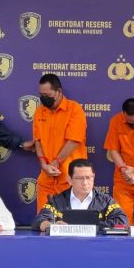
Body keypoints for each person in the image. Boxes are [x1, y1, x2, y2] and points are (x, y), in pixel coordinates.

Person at [33, 73, 88, 211]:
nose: (44, 98)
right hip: (46, 177)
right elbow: (37, 141)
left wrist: (56, 162)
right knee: (43, 219)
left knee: (70, 221)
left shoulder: (74, 109)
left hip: (70, 178)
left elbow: (74, 140)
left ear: (59, 91)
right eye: (41, 95)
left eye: (48, 95)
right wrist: (43, 164)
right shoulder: (39, 112)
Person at [32, 159, 128, 232]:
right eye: (80, 178)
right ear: (69, 179)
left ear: (94, 177)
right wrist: (51, 226)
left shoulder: (105, 201)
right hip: (66, 246)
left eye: (89, 177)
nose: (85, 183)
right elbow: (39, 220)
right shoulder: (57, 201)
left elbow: (122, 221)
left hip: (95, 247)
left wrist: (92, 227)